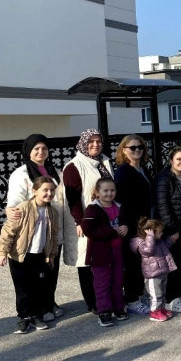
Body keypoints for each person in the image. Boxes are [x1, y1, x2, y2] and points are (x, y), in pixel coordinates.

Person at [5, 134, 72, 322]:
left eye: (44, 148)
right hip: (33, 232)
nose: (41, 152)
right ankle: (34, 309)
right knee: (32, 273)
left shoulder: (55, 171)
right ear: (28, 151)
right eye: (36, 149)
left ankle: (49, 302)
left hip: (52, 229)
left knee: (50, 269)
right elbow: (16, 203)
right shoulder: (21, 174)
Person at [0, 176, 59, 334]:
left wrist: (51, 255)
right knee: (23, 288)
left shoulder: (52, 212)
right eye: (45, 190)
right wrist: (2, 252)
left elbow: (53, 236)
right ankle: (24, 317)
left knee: (39, 286)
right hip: (20, 255)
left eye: (52, 190)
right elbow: (8, 231)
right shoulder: (23, 208)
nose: (49, 193)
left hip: (40, 256)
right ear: (35, 191)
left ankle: (37, 315)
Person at [63, 129, 114, 315]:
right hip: (86, 220)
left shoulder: (104, 161)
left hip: (106, 219)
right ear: (83, 144)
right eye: (91, 142)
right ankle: (92, 302)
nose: (95, 145)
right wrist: (79, 222)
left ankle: (105, 296)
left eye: (98, 141)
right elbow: (73, 198)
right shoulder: (74, 166)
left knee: (103, 260)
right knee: (87, 262)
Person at [114, 134, 153, 316]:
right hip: (130, 225)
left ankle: (137, 294)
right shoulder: (123, 172)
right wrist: (126, 225)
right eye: (132, 148)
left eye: (140, 147)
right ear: (124, 150)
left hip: (143, 223)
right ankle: (131, 299)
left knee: (140, 261)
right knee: (132, 264)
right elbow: (121, 202)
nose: (137, 150)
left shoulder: (143, 169)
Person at [81, 177, 129, 327]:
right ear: (97, 192)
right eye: (105, 191)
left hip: (118, 250)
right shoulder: (92, 209)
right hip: (100, 253)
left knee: (118, 280)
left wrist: (126, 227)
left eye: (112, 190)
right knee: (102, 282)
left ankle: (118, 307)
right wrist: (111, 232)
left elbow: (126, 222)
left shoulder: (119, 206)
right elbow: (88, 229)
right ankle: (104, 311)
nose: (109, 193)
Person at [155, 147, 181, 313]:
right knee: (173, 266)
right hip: (172, 231)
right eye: (179, 159)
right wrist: (172, 229)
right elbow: (162, 206)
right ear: (171, 160)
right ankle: (170, 299)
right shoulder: (164, 179)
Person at [131, 217, 176, 322]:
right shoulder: (142, 243)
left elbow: (166, 247)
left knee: (162, 292)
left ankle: (161, 309)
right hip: (153, 274)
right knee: (156, 295)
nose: (161, 234)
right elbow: (149, 251)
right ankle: (154, 312)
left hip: (162, 271)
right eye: (159, 232)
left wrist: (171, 239)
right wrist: (150, 237)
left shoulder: (158, 241)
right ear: (150, 232)